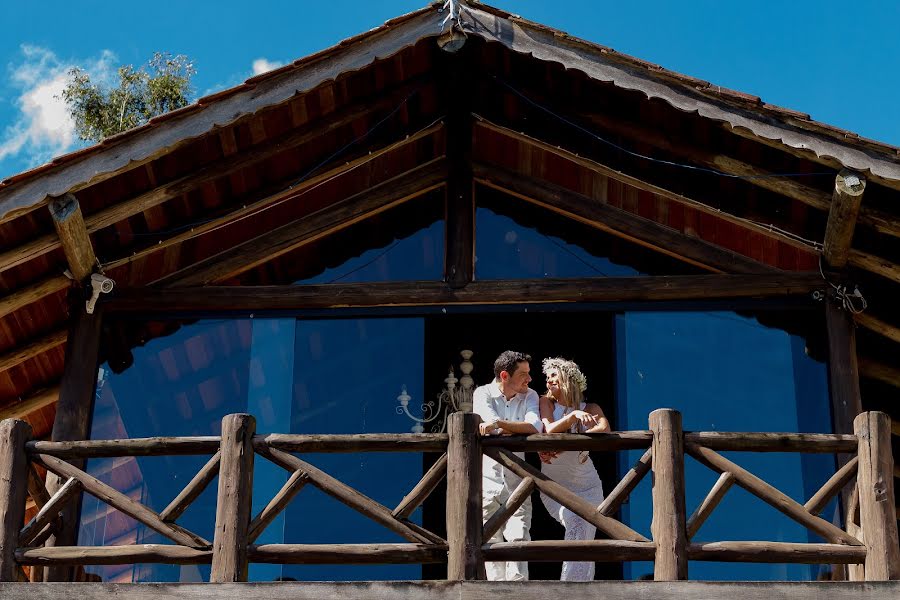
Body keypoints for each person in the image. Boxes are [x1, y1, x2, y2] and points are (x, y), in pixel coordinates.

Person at [472, 350, 541, 581]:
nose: (529, 379)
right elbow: (486, 420)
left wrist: (500, 424)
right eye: (523, 374)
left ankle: (520, 594)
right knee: (490, 543)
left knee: (520, 539)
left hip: (518, 480)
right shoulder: (482, 393)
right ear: (504, 375)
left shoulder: (530, 395)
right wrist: (509, 427)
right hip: (488, 481)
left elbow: (534, 426)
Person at [538, 357, 609, 581]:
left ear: (568, 378)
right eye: (546, 377)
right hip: (554, 487)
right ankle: (574, 589)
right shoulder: (545, 403)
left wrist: (569, 444)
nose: (548, 381)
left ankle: (578, 588)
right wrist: (573, 417)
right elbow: (548, 429)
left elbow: (604, 428)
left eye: (553, 376)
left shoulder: (591, 407)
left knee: (584, 535)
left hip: (588, 485)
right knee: (575, 522)